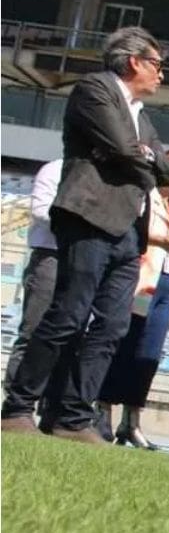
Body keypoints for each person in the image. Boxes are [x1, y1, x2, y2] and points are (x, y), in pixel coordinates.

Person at [1, 27, 169, 441]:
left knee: (112, 326)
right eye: (157, 65)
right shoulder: (94, 89)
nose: (162, 75)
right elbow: (122, 148)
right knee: (68, 314)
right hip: (88, 217)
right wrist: (141, 158)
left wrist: (144, 157)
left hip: (127, 230)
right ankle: (17, 408)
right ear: (134, 61)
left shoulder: (142, 114)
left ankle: (73, 417)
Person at [96, 148, 169, 448]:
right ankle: (103, 413)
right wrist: (160, 241)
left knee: (147, 357)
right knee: (124, 348)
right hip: (141, 282)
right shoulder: (144, 196)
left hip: (166, 287)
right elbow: (131, 230)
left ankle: (132, 421)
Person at [5, 158, 62, 388]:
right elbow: (40, 211)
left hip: (82, 260)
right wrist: (79, 216)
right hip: (50, 256)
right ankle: (15, 399)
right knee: (33, 331)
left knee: (66, 339)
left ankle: (50, 405)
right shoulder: (54, 170)